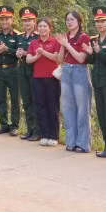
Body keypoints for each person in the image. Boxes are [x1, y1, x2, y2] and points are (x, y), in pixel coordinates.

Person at [83, 7, 106, 158]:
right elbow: (90, 61)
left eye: (103, 21)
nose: (99, 24)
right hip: (96, 80)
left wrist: (99, 51)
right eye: (97, 21)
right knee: (102, 115)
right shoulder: (93, 39)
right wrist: (90, 54)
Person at [57, 11, 92, 153]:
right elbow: (59, 59)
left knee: (82, 108)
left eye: (72, 19)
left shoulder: (84, 37)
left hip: (79, 71)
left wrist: (67, 44)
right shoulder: (65, 37)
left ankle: (83, 144)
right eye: (67, 20)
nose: (69, 22)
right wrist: (62, 44)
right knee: (67, 108)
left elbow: (81, 58)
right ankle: (70, 141)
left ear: (79, 21)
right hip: (66, 70)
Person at [26, 17, 63, 147]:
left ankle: (53, 136)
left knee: (52, 107)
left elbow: (58, 58)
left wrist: (44, 52)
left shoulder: (55, 41)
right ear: (37, 28)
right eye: (40, 26)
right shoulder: (33, 43)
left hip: (52, 78)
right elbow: (28, 59)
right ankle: (44, 134)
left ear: (50, 28)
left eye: (45, 26)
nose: (42, 29)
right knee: (40, 106)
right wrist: (37, 56)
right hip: (37, 78)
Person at [0, 6, 20, 136]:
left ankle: (14, 125)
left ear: (12, 19)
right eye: (2, 19)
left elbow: (20, 54)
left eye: (7, 19)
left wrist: (7, 49)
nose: (4, 22)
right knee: (0, 97)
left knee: (14, 98)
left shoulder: (18, 35)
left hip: (13, 69)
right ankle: (3, 124)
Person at [15, 7, 40, 141]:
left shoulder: (37, 37)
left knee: (35, 101)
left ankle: (37, 130)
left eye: (30, 20)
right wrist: (18, 53)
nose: (27, 23)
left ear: (34, 21)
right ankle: (30, 129)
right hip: (22, 71)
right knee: (26, 101)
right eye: (25, 21)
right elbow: (15, 51)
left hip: (34, 71)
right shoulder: (19, 36)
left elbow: (39, 54)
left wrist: (27, 53)